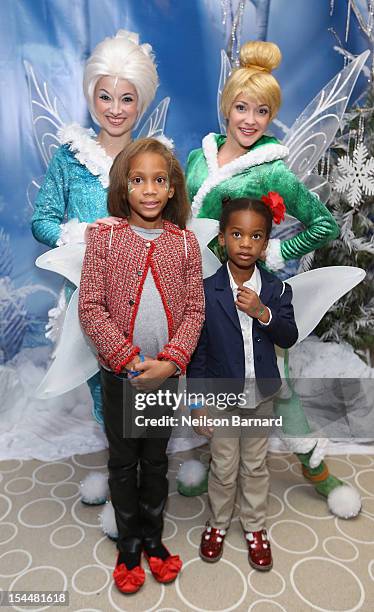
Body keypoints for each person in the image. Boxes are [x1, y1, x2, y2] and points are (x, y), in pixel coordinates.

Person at [184, 39, 357, 513]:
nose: (249, 119)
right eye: (241, 107)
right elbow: (183, 216)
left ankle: (318, 470)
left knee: (272, 384)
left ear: (270, 116)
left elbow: (322, 224)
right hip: (200, 287)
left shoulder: (273, 171)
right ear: (226, 107)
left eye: (261, 111)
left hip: (249, 293)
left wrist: (279, 249)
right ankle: (215, 458)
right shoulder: (200, 157)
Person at [31, 30, 158, 504]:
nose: (115, 108)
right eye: (105, 96)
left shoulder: (151, 159)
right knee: (102, 391)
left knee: (142, 383)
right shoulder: (69, 158)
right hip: (88, 302)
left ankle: (149, 474)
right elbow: (42, 220)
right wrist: (82, 236)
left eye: (127, 98)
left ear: (140, 102)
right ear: (91, 96)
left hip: (144, 299)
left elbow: (172, 220)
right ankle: (120, 471)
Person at [78, 137, 205, 593]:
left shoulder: (186, 244)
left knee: (155, 459)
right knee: (123, 459)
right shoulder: (105, 237)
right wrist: (128, 360)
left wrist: (170, 363)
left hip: (165, 377)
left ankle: (154, 537)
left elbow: (195, 310)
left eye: (159, 180)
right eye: (138, 180)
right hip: (122, 376)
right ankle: (128, 544)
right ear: (124, 187)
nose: (149, 189)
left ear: (172, 189)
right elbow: (91, 307)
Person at [187, 195, 298, 570]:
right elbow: (198, 353)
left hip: (261, 395)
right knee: (223, 466)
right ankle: (218, 523)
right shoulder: (205, 290)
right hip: (220, 397)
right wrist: (198, 403)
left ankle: (254, 527)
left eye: (255, 236)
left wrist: (261, 312)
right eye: (237, 234)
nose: (245, 243)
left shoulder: (278, 290)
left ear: (266, 243)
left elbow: (288, 336)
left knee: (254, 466)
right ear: (222, 238)